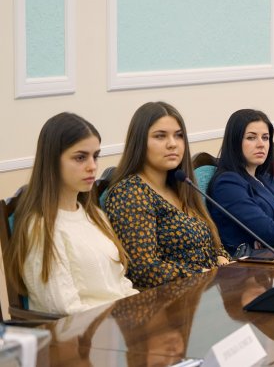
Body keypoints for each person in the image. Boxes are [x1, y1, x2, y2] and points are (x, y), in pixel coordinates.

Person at [5, 113, 137, 315]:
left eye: (95, 156)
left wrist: (142, 311)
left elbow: (121, 285)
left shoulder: (96, 216)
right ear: (52, 161)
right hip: (80, 332)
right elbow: (64, 309)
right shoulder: (41, 227)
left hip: (119, 323)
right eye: (80, 157)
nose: (92, 166)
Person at [105, 102, 230, 289]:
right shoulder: (130, 192)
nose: (172, 144)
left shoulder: (180, 185)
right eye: (160, 136)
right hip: (168, 300)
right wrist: (202, 274)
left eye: (178, 135)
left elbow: (211, 244)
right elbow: (143, 269)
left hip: (205, 292)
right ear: (139, 142)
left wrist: (221, 257)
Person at [208, 109, 274, 254]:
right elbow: (272, 234)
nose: (261, 144)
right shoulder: (227, 184)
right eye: (251, 138)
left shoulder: (266, 178)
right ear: (234, 142)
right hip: (250, 265)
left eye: (265, 138)